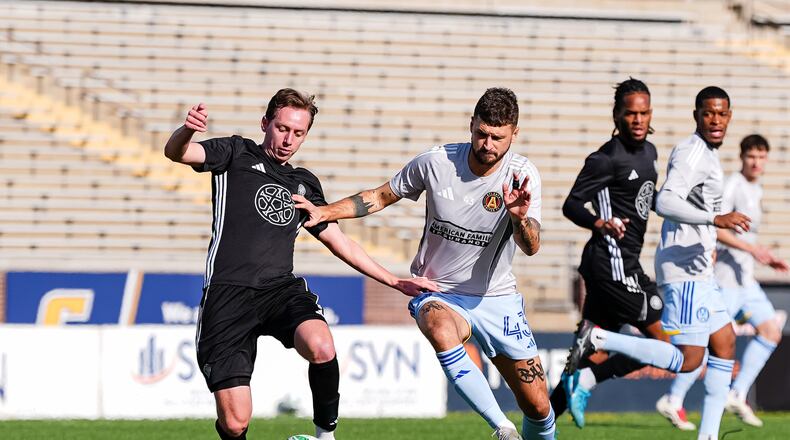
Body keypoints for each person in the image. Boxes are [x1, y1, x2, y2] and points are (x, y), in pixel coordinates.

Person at [163, 88, 437, 440]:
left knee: (322, 345)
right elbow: (178, 152)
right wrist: (187, 130)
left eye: (298, 133)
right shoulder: (234, 153)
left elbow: (339, 242)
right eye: (282, 128)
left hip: (278, 290)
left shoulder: (304, 184)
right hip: (227, 295)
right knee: (235, 423)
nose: (288, 139)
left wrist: (395, 281)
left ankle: (325, 436)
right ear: (265, 123)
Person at [294, 88, 555, 440]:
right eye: (481, 133)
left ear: (514, 134)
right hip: (439, 291)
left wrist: (519, 218)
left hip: (497, 297)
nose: (487, 144)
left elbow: (531, 247)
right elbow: (380, 196)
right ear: (471, 124)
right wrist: (326, 211)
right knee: (440, 328)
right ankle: (503, 428)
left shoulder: (523, 175)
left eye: (498, 137)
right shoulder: (436, 162)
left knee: (538, 407)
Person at [566, 86, 751, 440]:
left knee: (725, 341)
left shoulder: (704, 156)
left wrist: (710, 234)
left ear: (730, 116)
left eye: (722, 113)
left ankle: (708, 435)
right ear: (696, 115)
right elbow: (666, 200)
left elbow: (661, 203)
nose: (716, 120)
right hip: (683, 272)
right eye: (708, 113)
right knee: (688, 360)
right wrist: (714, 220)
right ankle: (601, 339)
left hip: (699, 267)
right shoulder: (692, 153)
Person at [549, 78, 668, 429]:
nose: (638, 120)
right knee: (666, 344)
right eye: (630, 113)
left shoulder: (651, 153)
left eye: (644, 113)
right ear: (616, 115)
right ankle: (590, 374)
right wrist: (599, 223)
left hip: (620, 264)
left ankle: (536, 429)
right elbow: (571, 204)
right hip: (612, 265)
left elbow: (645, 199)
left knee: (583, 359)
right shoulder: (605, 159)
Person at [656, 134, 788, 430]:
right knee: (706, 345)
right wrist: (754, 250)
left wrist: (760, 255)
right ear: (742, 157)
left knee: (770, 331)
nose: (755, 162)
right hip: (725, 280)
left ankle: (737, 393)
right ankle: (674, 398)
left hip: (746, 280)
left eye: (761, 157)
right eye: (750, 156)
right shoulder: (731, 186)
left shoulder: (757, 190)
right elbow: (717, 225)